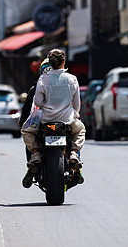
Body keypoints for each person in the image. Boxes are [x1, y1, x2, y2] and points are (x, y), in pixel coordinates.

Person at [21, 49, 85, 186]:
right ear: (64, 61)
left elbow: (37, 102)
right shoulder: (72, 79)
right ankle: (74, 153)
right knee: (80, 130)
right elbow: (77, 105)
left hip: (45, 121)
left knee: (26, 131)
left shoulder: (43, 79)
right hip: (67, 121)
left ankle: (35, 154)